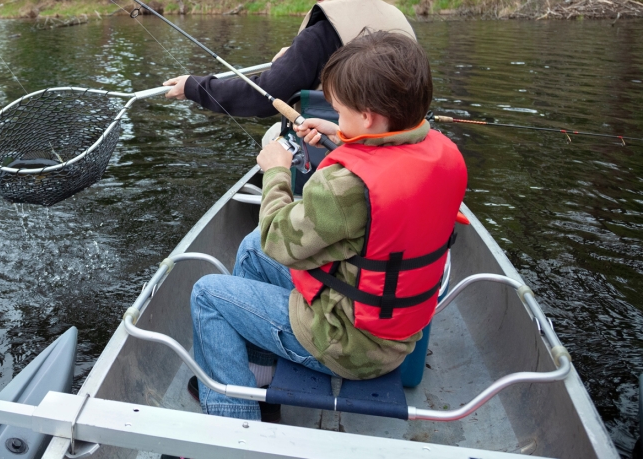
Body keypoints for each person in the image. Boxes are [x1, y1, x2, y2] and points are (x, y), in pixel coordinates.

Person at [187, 32, 468, 422]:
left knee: (207, 294)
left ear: (369, 116)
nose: (338, 118)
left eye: (342, 111)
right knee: (249, 248)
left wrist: (276, 173)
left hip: (347, 346)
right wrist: (343, 137)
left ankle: (231, 425)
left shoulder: (342, 189)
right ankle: (261, 374)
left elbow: (277, 239)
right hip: (395, 335)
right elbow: (379, 186)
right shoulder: (436, 150)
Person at [163, 0, 415, 117]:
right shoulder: (396, 18)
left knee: (271, 141)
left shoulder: (321, 33)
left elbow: (263, 97)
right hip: (395, 142)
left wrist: (193, 86)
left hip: (341, 152)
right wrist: (300, 57)